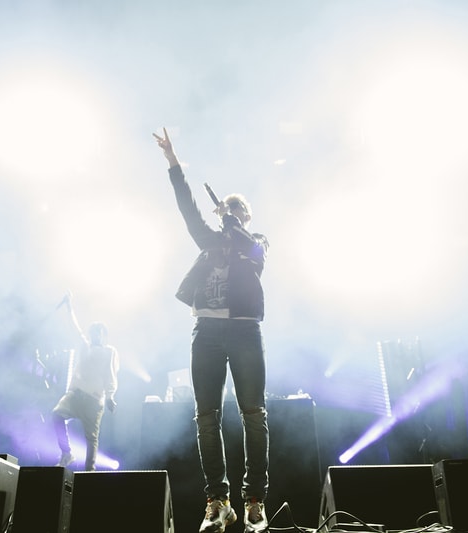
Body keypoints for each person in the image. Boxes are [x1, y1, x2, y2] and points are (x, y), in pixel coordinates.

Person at [153, 128, 270, 533]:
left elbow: (253, 252)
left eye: (236, 209)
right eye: (226, 209)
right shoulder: (209, 241)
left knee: (253, 415)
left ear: (245, 216)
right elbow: (187, 208)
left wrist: (234, 220)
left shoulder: (255, 241)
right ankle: (217, 501)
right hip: (206, 332)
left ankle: (254, 500)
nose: (228, 212)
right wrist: (173, 162)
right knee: (206, 417)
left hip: (244, 332)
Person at [51, 294, 119, 471]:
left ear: (104, 335)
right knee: (57, 415)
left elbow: (110, 375)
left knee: (91, 438)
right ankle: (66, 453)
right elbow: (74, 327)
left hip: (94, 400)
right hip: (75, 395)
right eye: (93, 332)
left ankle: (89, 471)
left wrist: (110, 396)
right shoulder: (84, 345)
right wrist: (70, 308)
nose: (96, 335)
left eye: (99, 332)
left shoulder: (109, 352)